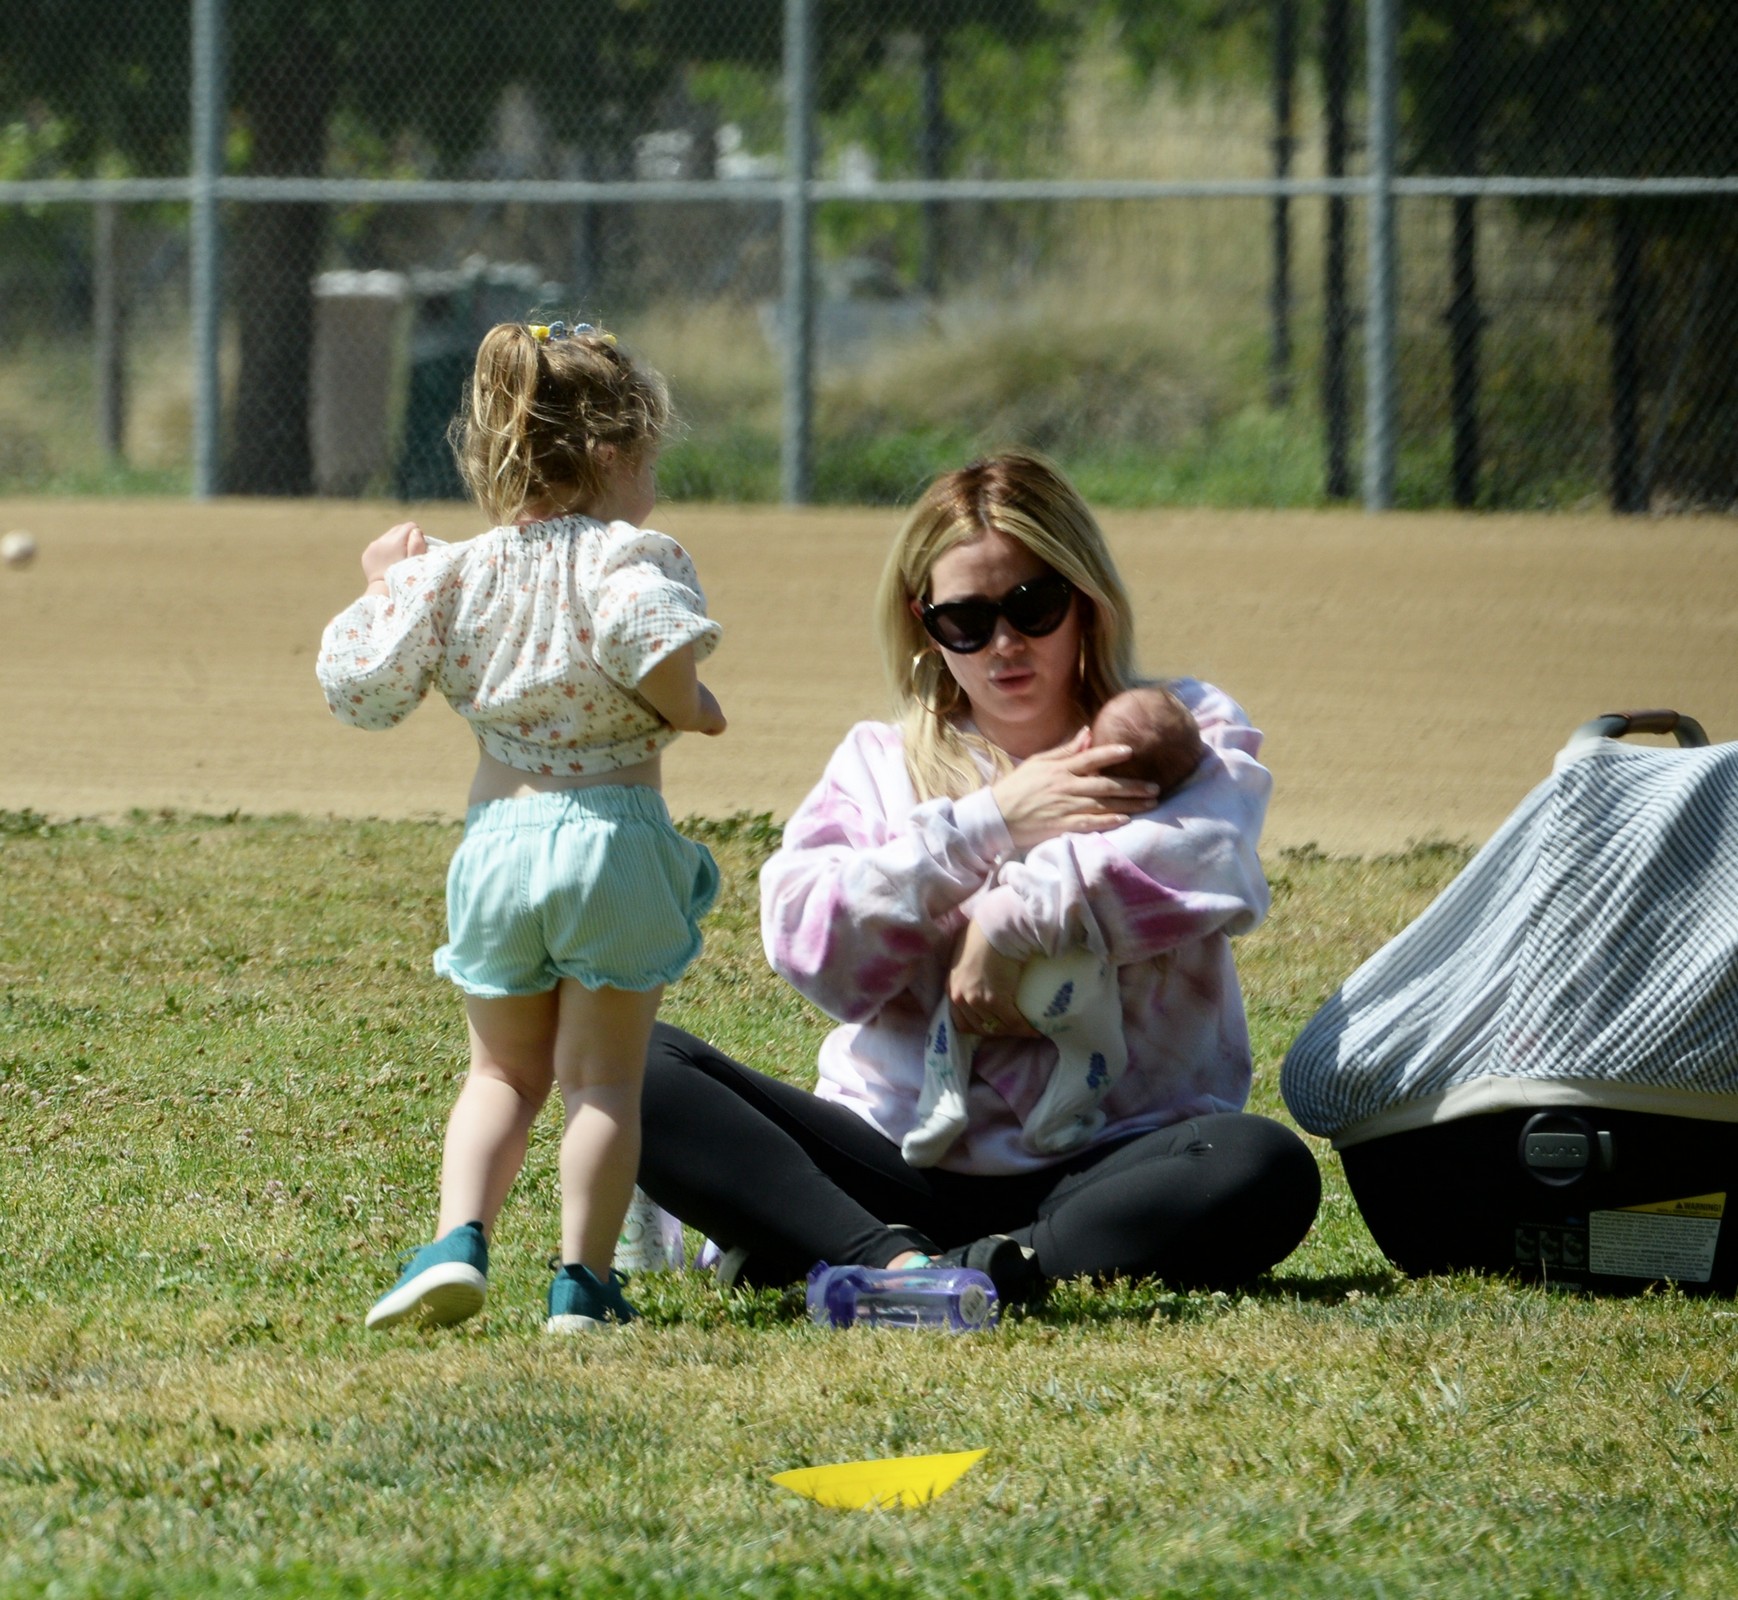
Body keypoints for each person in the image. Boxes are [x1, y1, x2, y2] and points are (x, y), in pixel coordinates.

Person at [636, 450, 1319, 1304]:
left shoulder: (1177, 728)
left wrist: (1010, 918)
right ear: (924, 625)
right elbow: (810, 942)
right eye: (965, 619)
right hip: (896, 1160)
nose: (1004, 644)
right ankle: (904, 1266)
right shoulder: (877, 763)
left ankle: (905, 1263)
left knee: (1263, 1164)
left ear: (1086, 597)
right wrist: (989, 823)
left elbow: (1206, 864)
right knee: (639, 1067)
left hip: (1112, 1160)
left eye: (1033, 605)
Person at [316, 318, 726, 1333]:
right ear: (613, 453)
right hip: (612, 840)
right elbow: (645, 634)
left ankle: (457, 1240)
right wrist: (691, 703)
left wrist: (382, 587)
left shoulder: (456, 572)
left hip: (496, 844)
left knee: (499, 1071)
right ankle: (583, 1285)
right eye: (649, 462)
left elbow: (361, 690)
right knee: (601, 1081)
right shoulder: (627, 556)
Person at [903, 684, 1208, 1167]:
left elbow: (1004, 869)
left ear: (1085, 744)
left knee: (955, 1021)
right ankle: (1054, 1123)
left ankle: (940, 1105)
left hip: (1002, 945)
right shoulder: (1139, 835)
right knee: (1099, 1058)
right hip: (1076, 990)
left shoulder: (1053, 808)